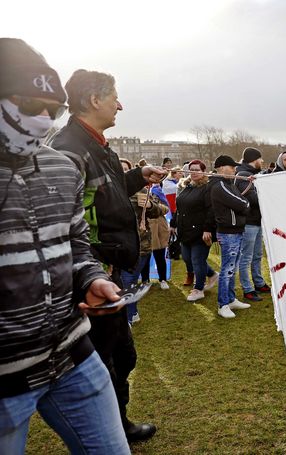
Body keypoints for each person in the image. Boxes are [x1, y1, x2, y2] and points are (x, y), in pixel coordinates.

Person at [0, 37, 130, 454]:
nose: (41, 119)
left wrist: (89, 278)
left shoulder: (60, 164)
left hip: (73, 354)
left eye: (51, 110)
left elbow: (75, 243)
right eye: (27, 104)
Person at [49, 68, 165, 442]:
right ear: (94, 100)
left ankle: (117, 422)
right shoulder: (68, 150)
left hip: (108, 271)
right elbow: (67, 222)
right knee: (102, 360)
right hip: (91, 275)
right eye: (114, 96)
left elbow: (105, 194)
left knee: (122, 354)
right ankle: (107, 432)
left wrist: (138, 176)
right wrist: (91, 274)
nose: (120, 104)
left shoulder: (97, 145)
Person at [118, 159, 165, 324]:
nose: (123, 172)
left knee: (127, 281)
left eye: (126, 169)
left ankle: (129, 316)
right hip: (117, 246)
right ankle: (132, 313)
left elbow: (162, 209)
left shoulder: (143, 191)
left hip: (140, 246)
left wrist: (150, 206)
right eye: (120, 170)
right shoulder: (111, 194)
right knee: (124, 282)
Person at [210, 155, 252, 318]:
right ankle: (223, 304)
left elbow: (242, 202)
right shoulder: (219, 184)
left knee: (232, 268)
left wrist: (244, 204)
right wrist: (245, 205)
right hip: (228, 233)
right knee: (227, 269)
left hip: (235, 231)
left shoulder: (227, 183)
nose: (235, 169)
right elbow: (242, 204)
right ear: (221, 168)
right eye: (231, 166)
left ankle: (231, 298)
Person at [172, 159, 218, 301]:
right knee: (187, 259)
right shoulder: (187, 186)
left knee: (197, 260)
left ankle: (198, 289)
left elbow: (211, 210)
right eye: (191, 169)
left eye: (197, 169)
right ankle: (212, 274)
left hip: (201, 232)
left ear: (203, 171)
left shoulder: (207, 187)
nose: (194, 172)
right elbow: (179, 208)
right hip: (185, 231)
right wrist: (173, 224)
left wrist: (207, 229)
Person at [236, 147, 272, 302]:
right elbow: (253, 198)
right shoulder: (243, 176)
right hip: (248, 223)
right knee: (246, 257)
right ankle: (247, 288)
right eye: (260, 158)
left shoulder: (254, 174)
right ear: (254, 159)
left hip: (257, 222)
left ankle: (258, 282)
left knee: (257, 255)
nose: (262, 161)